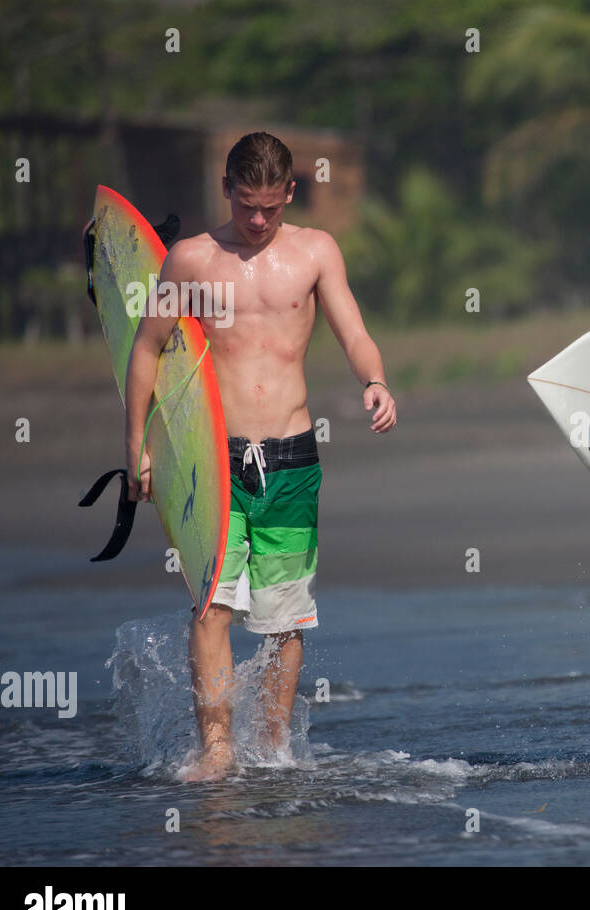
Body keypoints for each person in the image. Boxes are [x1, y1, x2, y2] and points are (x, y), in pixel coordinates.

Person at [124, 131, 397, 781]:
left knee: (284, 618)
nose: (256, 220)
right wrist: (135, 445)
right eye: (246, 204)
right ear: (225, 190)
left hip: (294, 457)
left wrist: (375, 380)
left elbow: (353, 330)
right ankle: (217, 750)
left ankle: (271, 751)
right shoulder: (192, 260)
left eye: (270, 207)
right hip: (213, 461)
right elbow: (145, 348)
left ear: (289, 195)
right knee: (211, 606)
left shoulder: (314, 252)